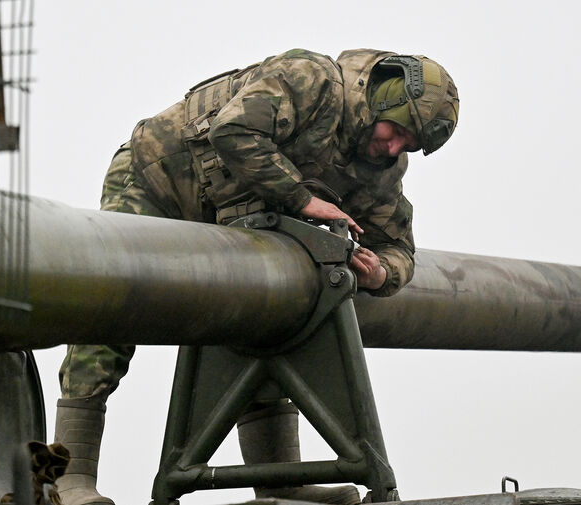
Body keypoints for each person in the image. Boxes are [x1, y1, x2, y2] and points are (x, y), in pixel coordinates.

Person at [54, 48, 459, 505]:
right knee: (117, 300)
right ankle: (70, 478)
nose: (394, 148)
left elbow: (399, 249)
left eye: (409, 145)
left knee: (268, 313)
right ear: (382, 100)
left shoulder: (380, 170)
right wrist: (302, 199)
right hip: (157, 183)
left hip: (233, 224)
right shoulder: (313, 81)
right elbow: (234, 130)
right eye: (396, 131)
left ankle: (280, 482)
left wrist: (379, 273)